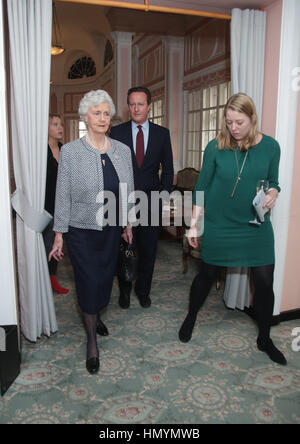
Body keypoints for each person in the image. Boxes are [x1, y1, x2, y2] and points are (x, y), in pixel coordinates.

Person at [178, 92, 287, 366]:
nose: (234, 128)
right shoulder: (215, 147)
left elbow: (273, 181)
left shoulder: (271, 146)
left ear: (252, 118)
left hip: (254, 225)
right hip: (219, 224)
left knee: (264, 282)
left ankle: (265, 337)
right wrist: (194, 225)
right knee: (207, 274)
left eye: (239, 122)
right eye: (229, 122)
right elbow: (201, 188)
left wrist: (274, 192)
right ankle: (191, 317)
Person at [49, 90, 135, 375]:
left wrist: (128, 224)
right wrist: (59, 234)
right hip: (81, 232)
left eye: (106, 113)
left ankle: (95, 315)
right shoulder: (72, 151)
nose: (102, 118)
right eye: (96, 113)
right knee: (87, 282)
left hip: (110, 230)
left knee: (104, 280)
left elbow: (128, 192)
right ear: (85, 116)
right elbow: (62, 195)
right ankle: (91, 341)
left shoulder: (122, 151)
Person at [110, 86, 174, 309]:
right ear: (128, 107)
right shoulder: (116, 134)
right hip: (124, 203)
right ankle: (125, 291)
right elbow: (112, 170)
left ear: (149, 106)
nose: (136, 108)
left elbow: (168, 170)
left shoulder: (161, 134)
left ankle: (143, 291)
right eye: (132, 104)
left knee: (149, 250)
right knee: (125, 250)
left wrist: (163, 198)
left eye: (140, 104)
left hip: (151, 204)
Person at [43, 114, 69, 294]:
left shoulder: (65, 150)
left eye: (61, 124)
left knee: (58, 245)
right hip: (45, 207)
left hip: (64, 206)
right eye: (55, 124)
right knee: (46, 245)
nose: (60, 127)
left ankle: (53, 279)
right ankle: (45, 281)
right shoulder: (40, 152)